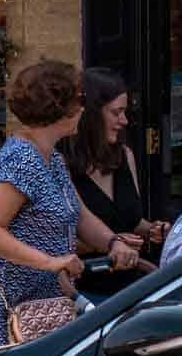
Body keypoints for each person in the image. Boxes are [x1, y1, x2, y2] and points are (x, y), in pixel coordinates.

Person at [0, 59, 141, 351]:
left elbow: (80, 215)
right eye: (79, 100)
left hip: (41, 304)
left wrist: (113, 242)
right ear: (59, 108)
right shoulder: (20, 159)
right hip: (2, 311)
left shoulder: (52, 157)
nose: (84, 108)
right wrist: (51, 262)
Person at [61, 67, 168, 259]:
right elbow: (54, 243)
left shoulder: (125, 156)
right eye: (116, 112)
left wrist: (153, 230)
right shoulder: (61, 164)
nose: (125, 120)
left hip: (131, 277)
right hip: (86, 279)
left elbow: (132, 221)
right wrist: (110, 243)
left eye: (125, 112)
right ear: (92, 114)